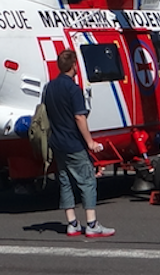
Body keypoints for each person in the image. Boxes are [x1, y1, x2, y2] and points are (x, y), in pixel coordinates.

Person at [42, 49, 114, 238]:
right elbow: (79, 117)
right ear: (74, 66)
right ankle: (92, 223)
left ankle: (72, 223)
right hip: (73, 141)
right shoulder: (73, 89)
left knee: (65, 181)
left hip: (56, 141)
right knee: (87, 180)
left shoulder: (49, 87)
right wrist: (90, 142)